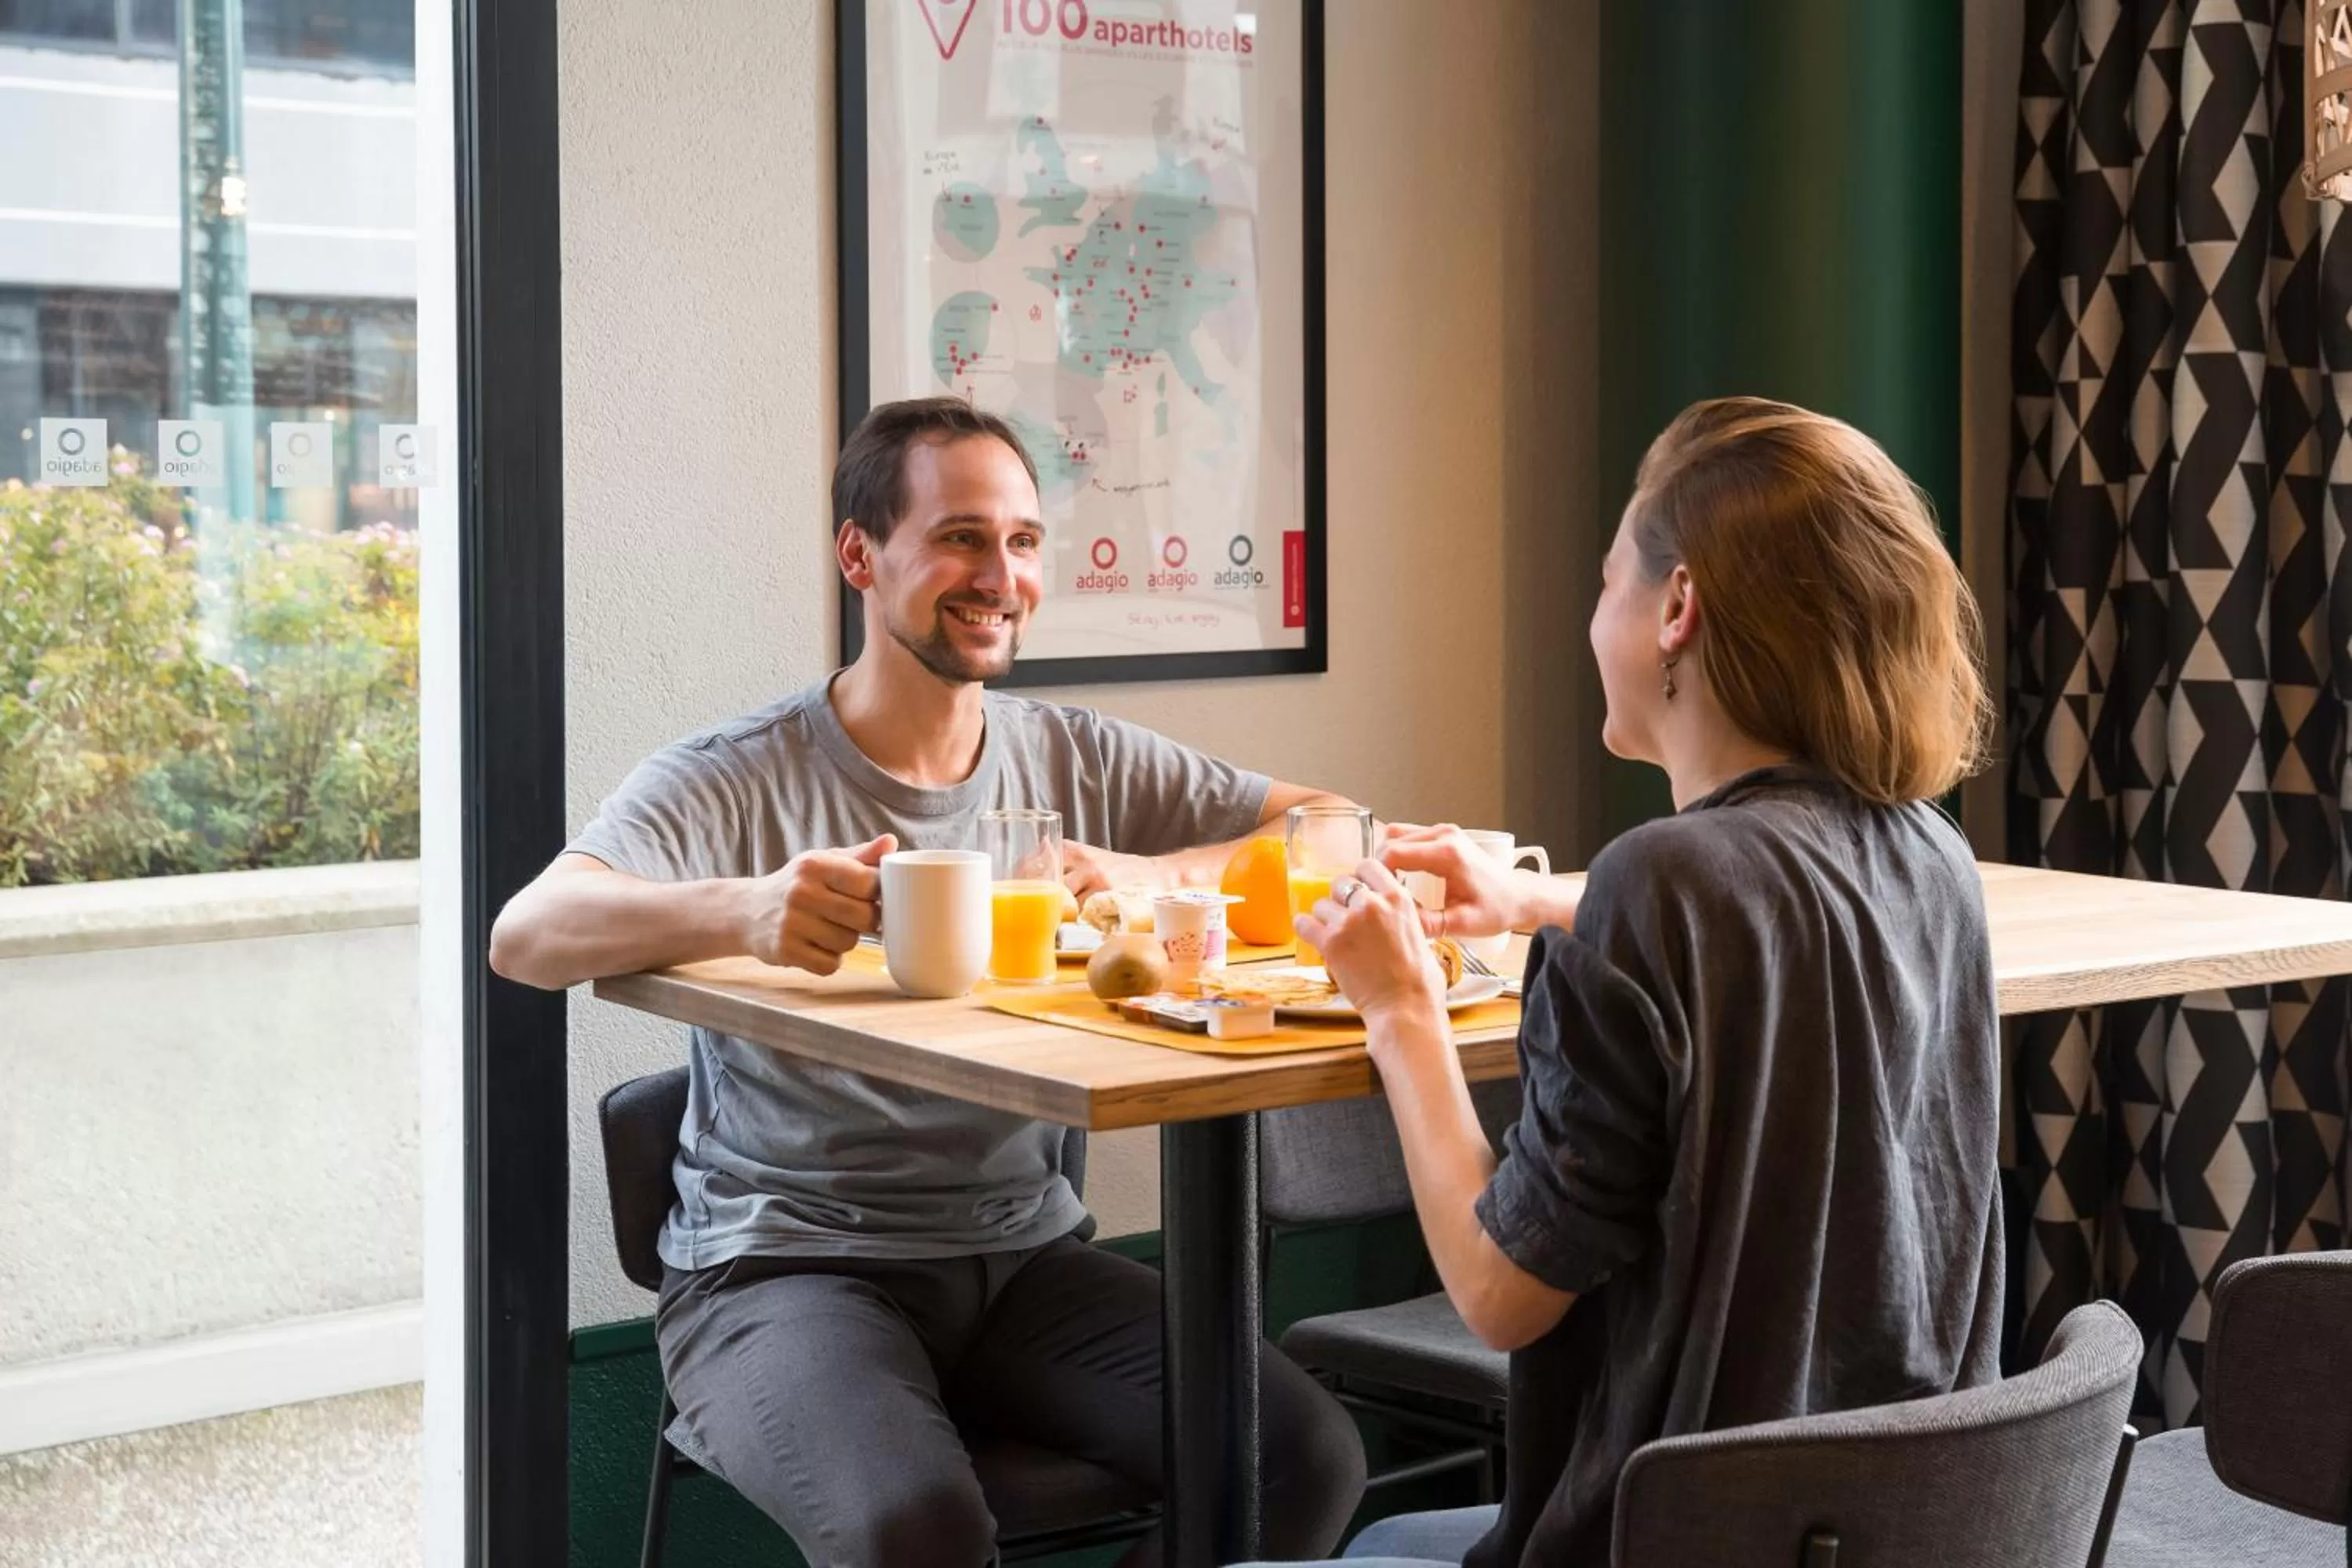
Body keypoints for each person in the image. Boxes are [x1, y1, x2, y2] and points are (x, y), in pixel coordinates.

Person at [488, 397, 1364, 1566]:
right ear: (861, 554)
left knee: (1300, 1457)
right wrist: (745, 908)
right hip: (783, 1269)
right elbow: (526, 933)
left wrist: (1144, 872)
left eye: (1022, 540)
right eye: (960, 536)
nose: (999, 573)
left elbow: (1341, 827)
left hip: (1020, 1259)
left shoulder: (1075, 755)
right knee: (921, 1530)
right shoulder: (738, 776)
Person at [1250, 397, 2003, 1566]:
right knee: (1398, 1536)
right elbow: (1756, 899)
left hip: (1666, 1537)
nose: (1594, 615)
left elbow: (1502, 1295)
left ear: (1678, 608)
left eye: (1611, 582)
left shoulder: (1665, 884)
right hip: (1876, 1533)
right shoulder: (1927, 849)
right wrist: (1541, 900)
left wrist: (1399, 1010)